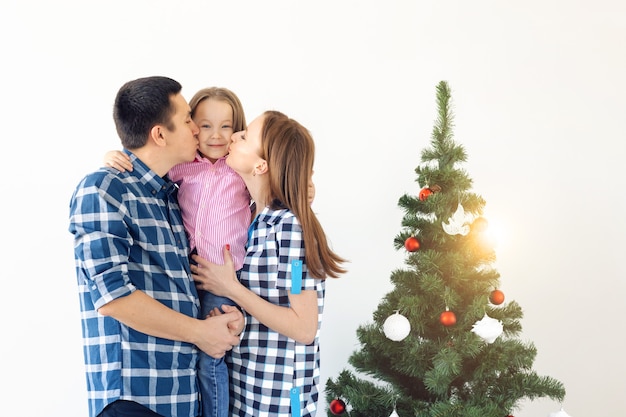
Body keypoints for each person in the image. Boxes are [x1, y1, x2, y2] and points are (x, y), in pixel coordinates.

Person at [69, 76, 244, 417]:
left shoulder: (170, 196)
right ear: (160, 134)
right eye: (189, 120)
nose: (198, 130)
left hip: (182, 397)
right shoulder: (104, 188)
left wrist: (221, 319)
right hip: (135, 398)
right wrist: (202, 333)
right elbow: (112, 299)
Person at [192, 110, 347, 417]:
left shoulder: (289, 227)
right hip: (243, 390)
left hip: (274, 402)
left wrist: (231, 289)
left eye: (245, 136)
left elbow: (303, 328)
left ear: (261, 165)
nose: (234, 136)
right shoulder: (252, 217)